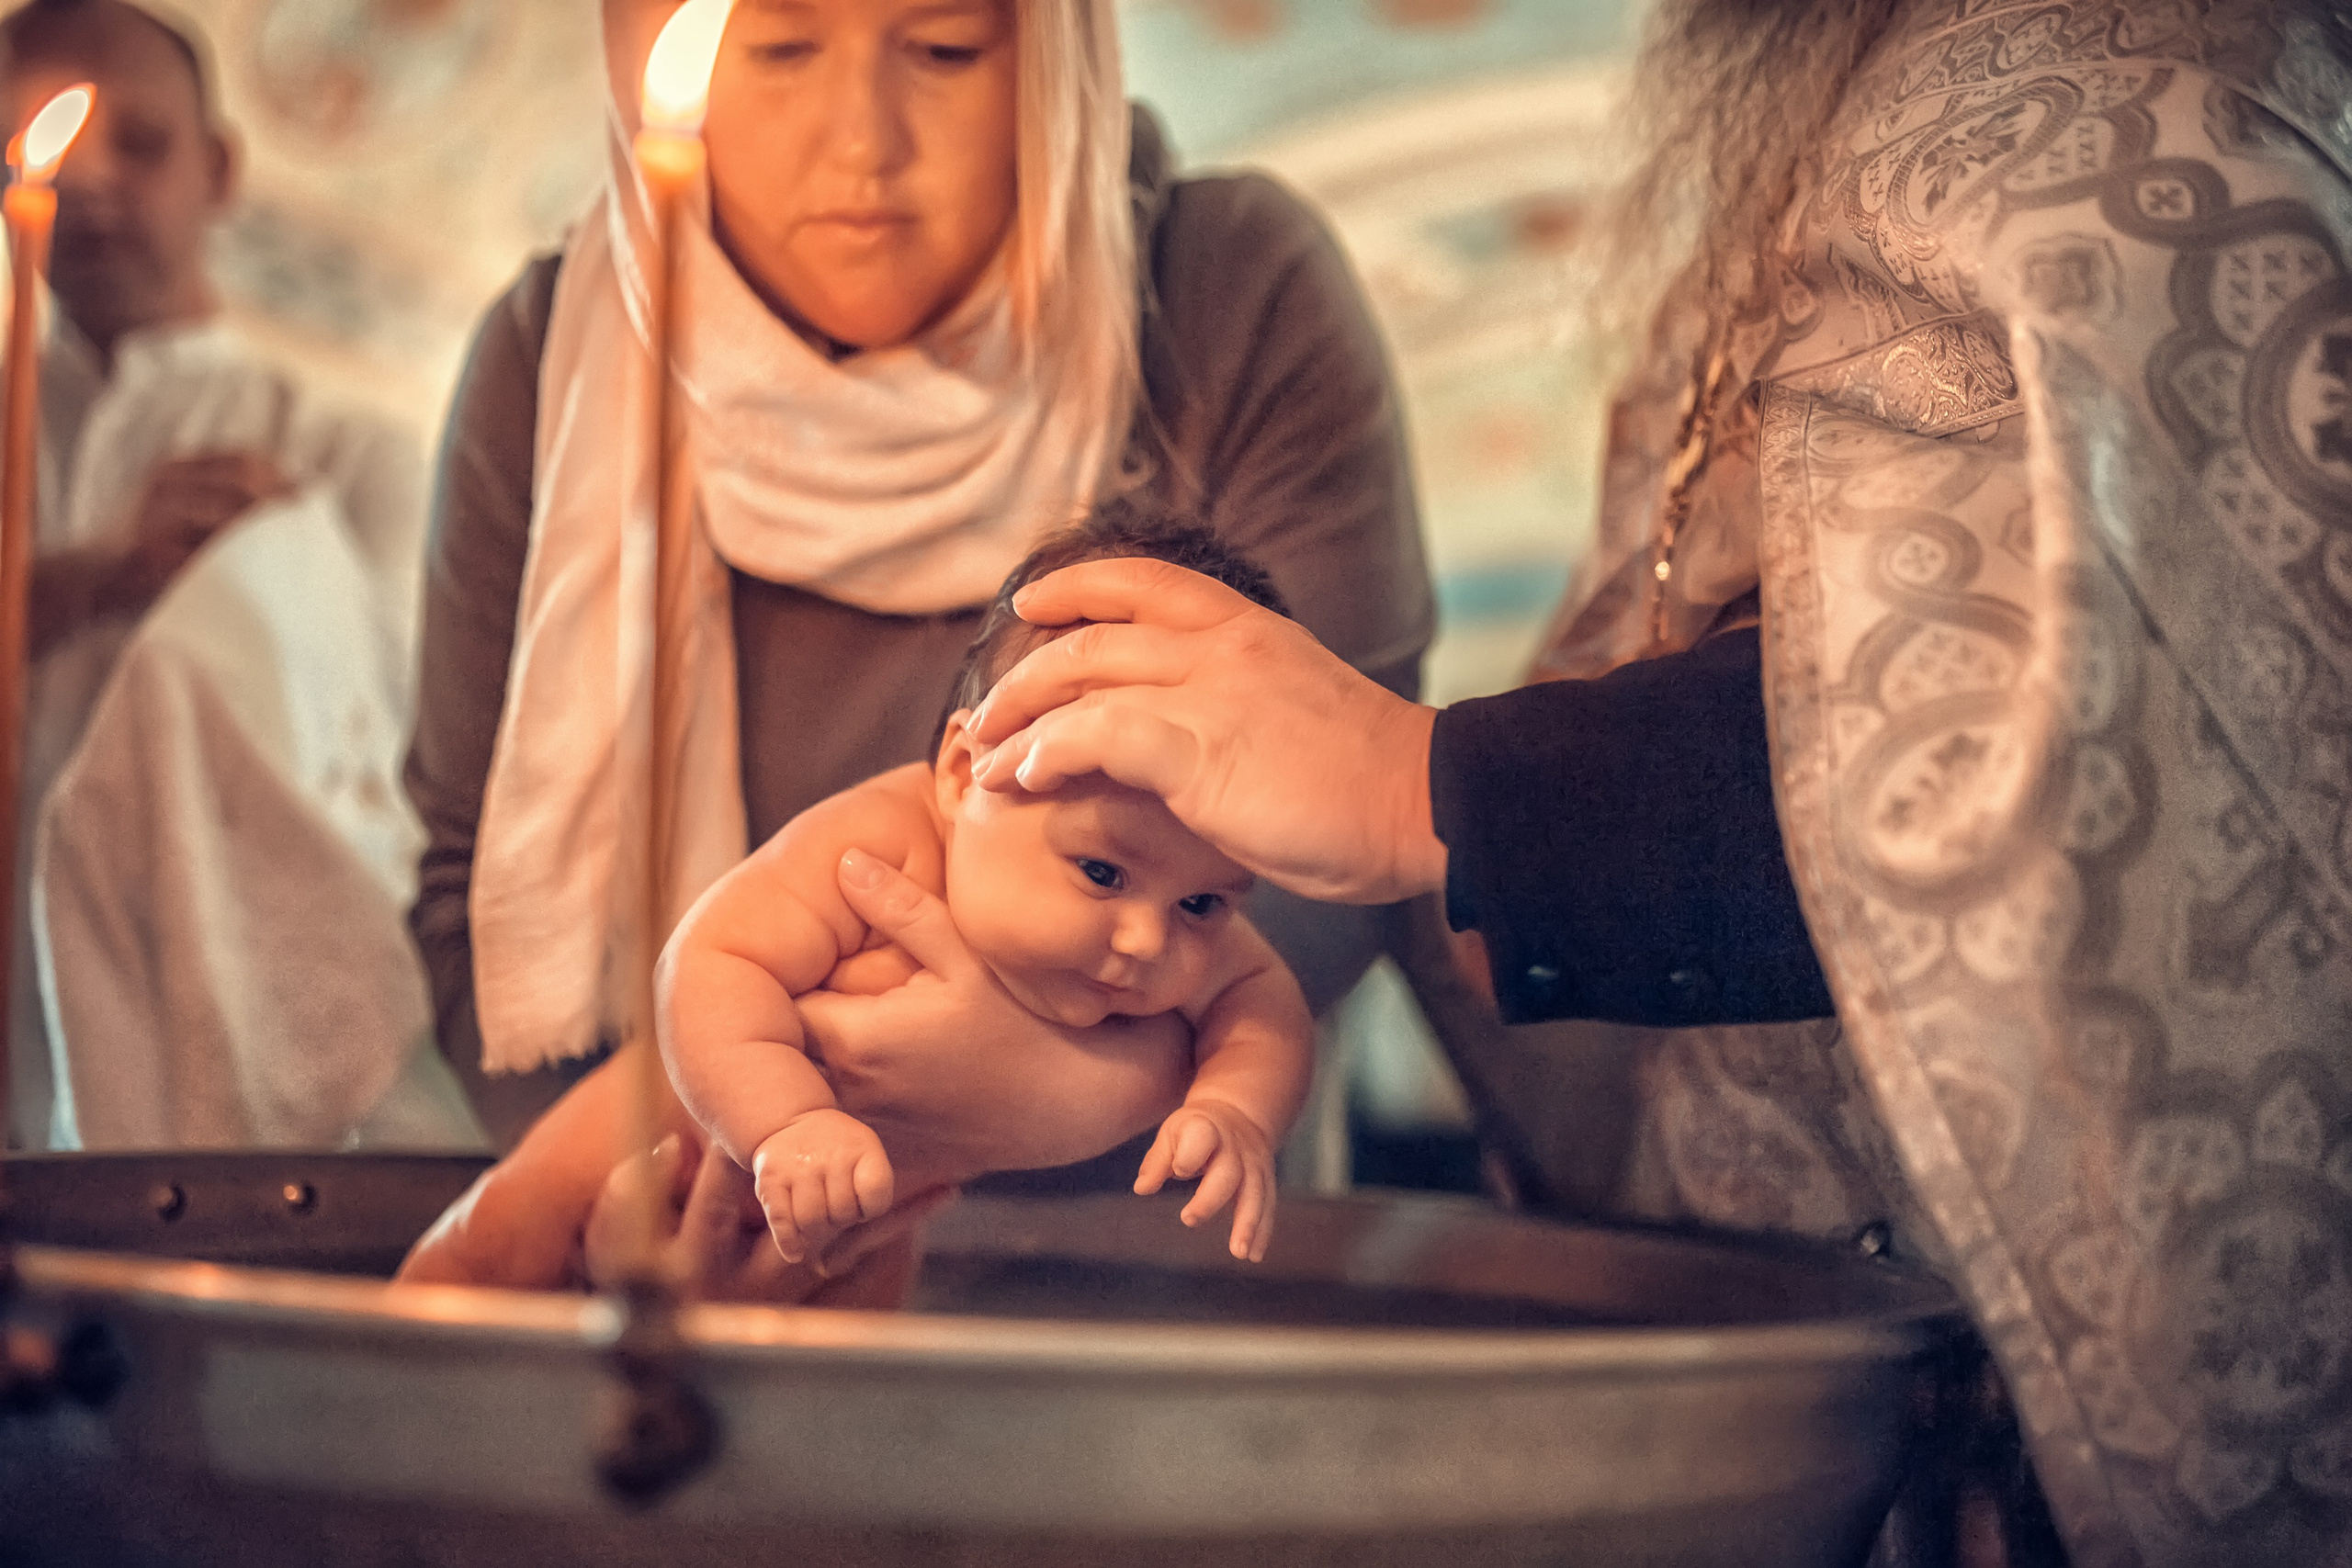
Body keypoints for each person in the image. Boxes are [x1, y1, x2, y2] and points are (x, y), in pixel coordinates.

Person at [960, 2, 2352, 1564]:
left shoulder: (2141, 106)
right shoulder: (1819, 142)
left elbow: (2092, 740)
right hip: (1846, 1397)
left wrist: (1435, 782)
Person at [399, 0, 1428, 1289]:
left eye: (943, 48)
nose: (862, 146)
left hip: (1139, 1283)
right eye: (773, 49)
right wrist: (694, 1153)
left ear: (1054, 50)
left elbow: (1333, 855)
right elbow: (475, 884)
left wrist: (1051, 1094)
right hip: (688, 1258)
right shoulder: (550, 357)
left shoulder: (1226, 290)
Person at [0, 0, 453, 1151]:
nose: (89, 181)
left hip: (237, 1026)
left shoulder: (346, 449)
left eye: (140, 142)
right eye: (45, 144)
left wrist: (282, 590)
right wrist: (92, 579)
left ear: (219, 168)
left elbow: (414, 746)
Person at [662, 512, 1311, 1269]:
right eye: (1102, 873)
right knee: (528, 1218)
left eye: (1203, 905)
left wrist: (1236, 1107)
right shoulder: (876, 844)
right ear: (965, 774)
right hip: (696, 1137)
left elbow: (1267, 1004)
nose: (1147, 939)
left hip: (919, 1223)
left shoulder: (1175, 868)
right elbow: (707, 963)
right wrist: (788, 1120)